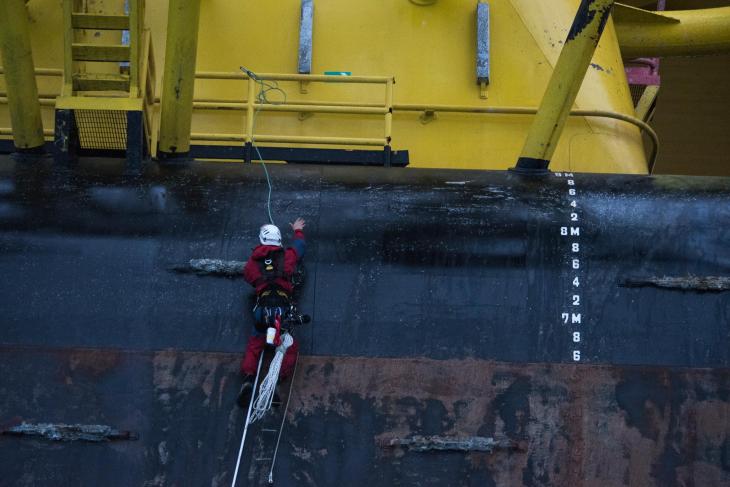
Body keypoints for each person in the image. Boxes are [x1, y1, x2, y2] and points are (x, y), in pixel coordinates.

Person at [237, 218, 306, 408]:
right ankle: (275, 381)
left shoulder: (252, 263)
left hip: (262, 310)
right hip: (281, 310)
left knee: (255, 344)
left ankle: (249, 379)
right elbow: (299, 248)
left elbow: (249, 277)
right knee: (288, 346)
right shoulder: (287, 257)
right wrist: (298, 231)